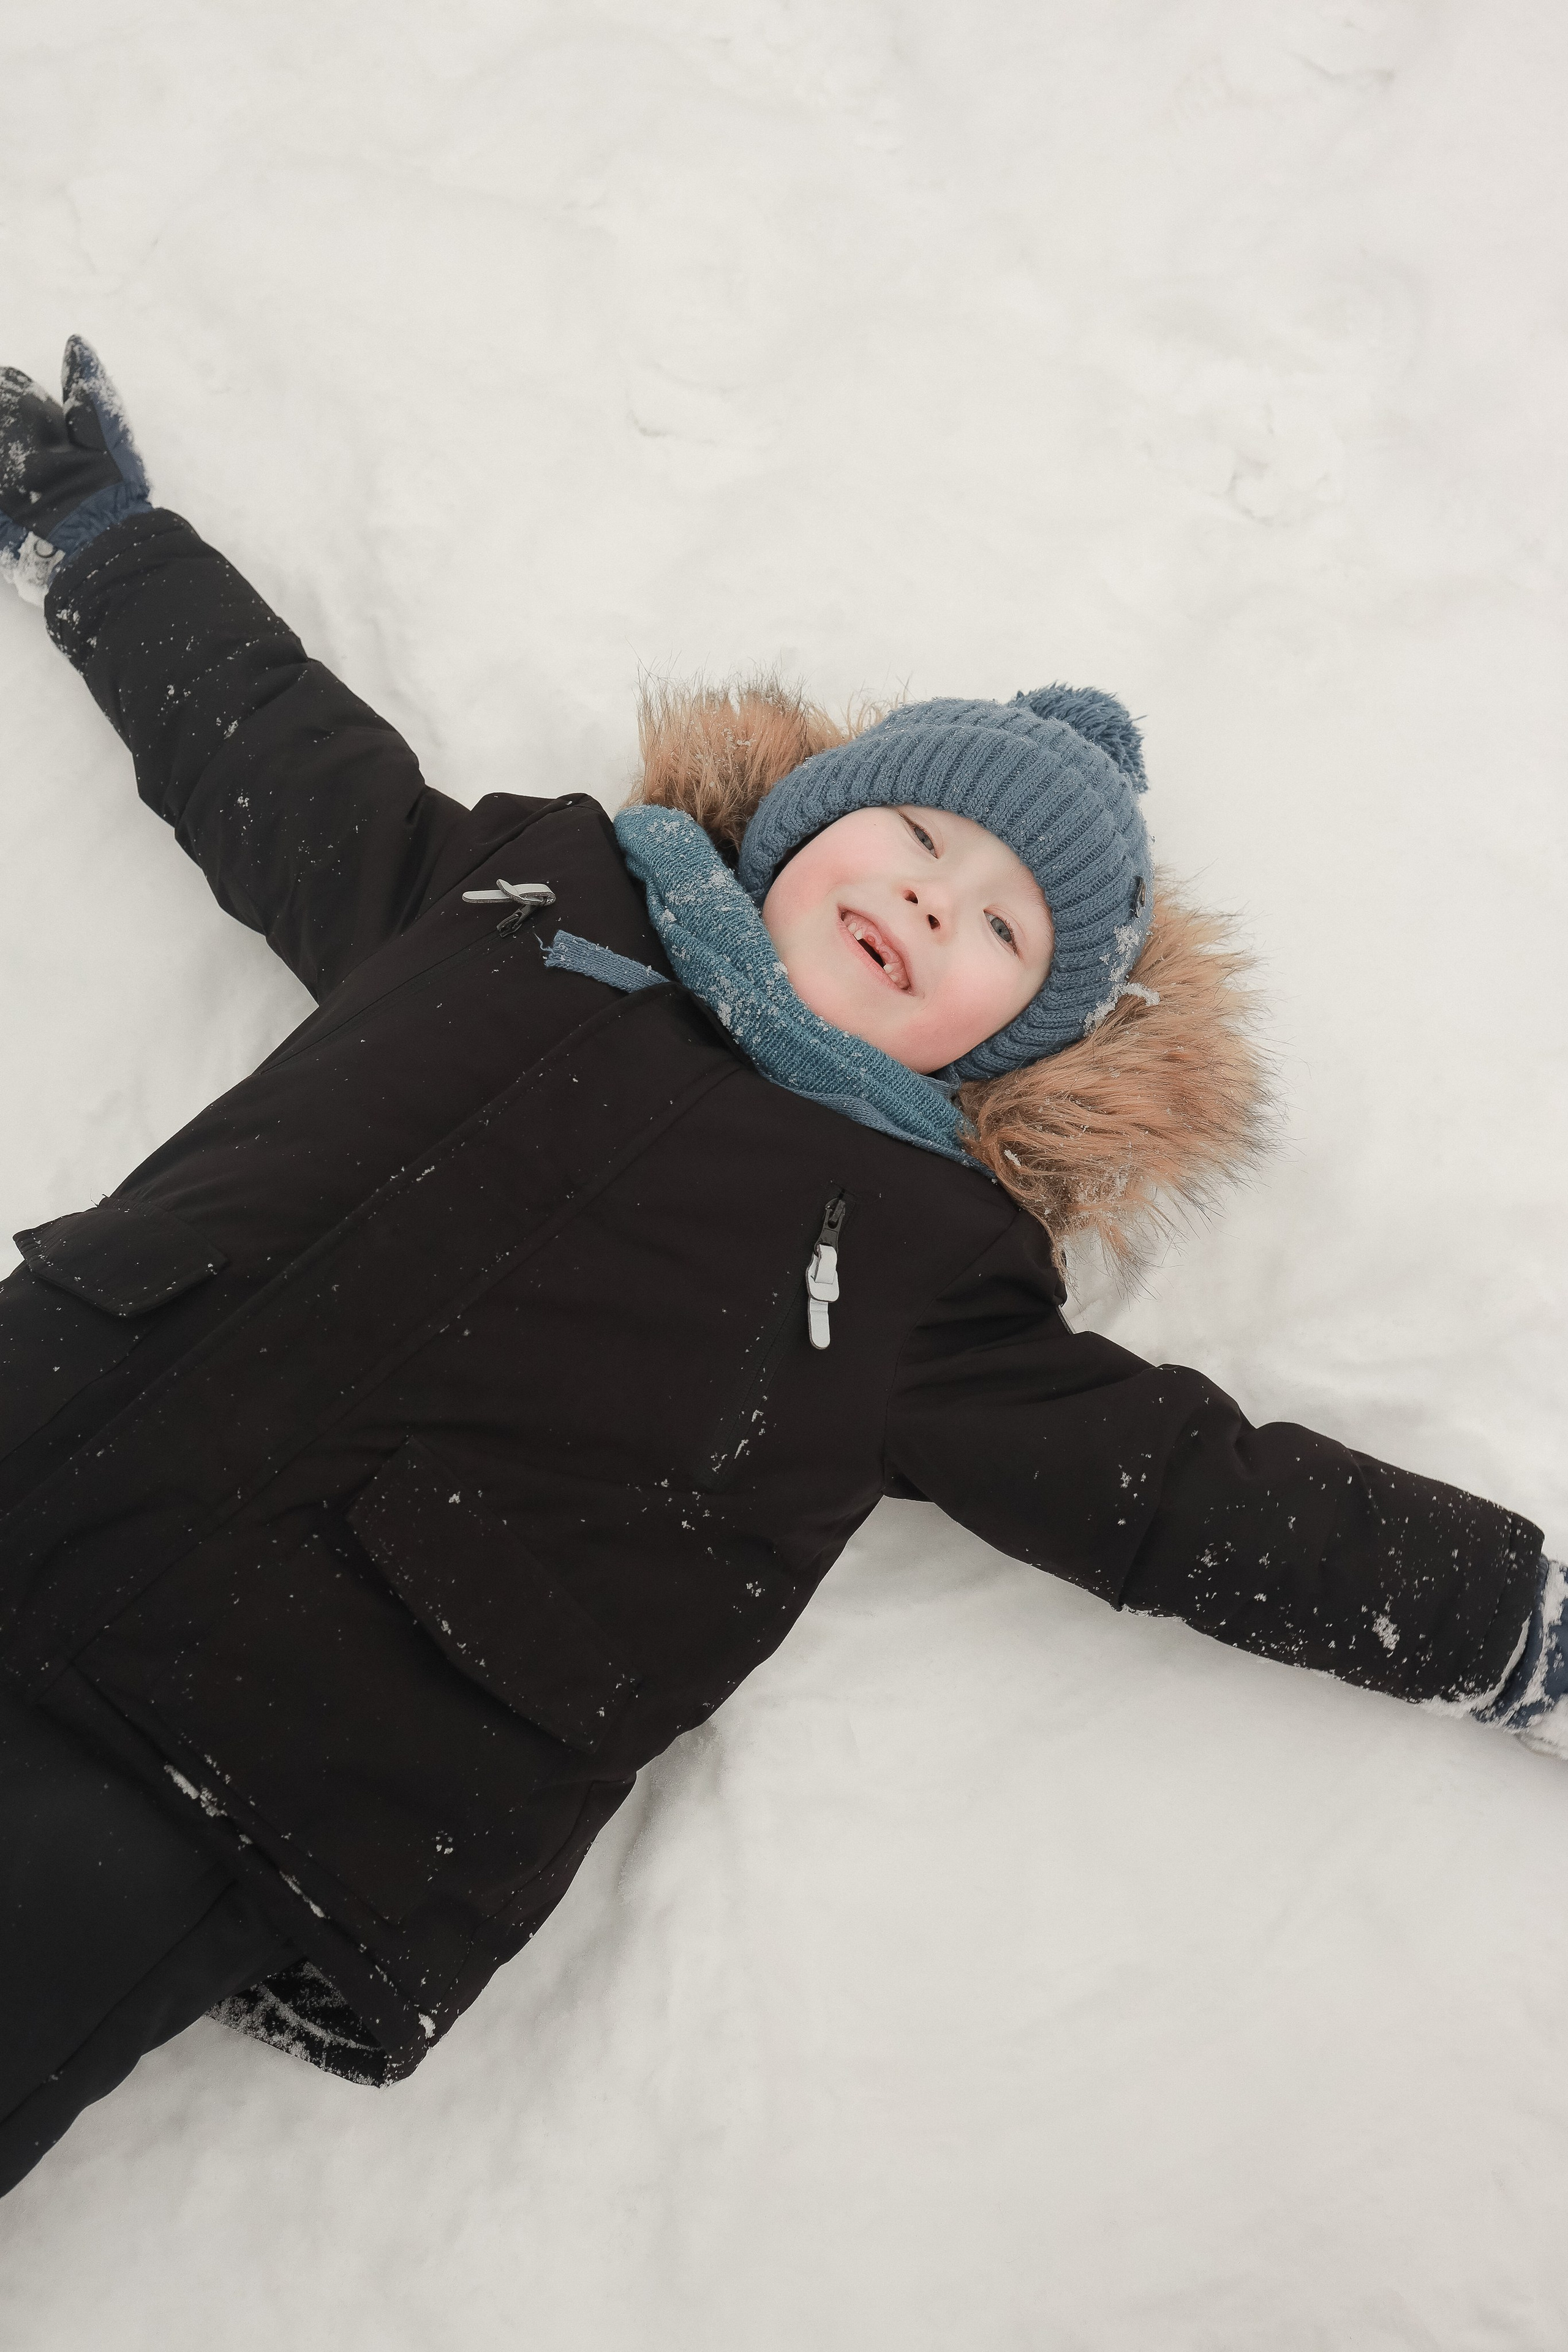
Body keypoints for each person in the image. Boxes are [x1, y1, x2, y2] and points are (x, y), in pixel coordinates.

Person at [0, 341, 1559, 2201]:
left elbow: (1192, 1496)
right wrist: (100, 540)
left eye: (1001, 923)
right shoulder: (517, 897)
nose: (927, 897)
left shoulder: (933, 1270)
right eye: (911, 834)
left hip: (257, 1747)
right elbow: (270, 755)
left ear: (1017, 1038)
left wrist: (1516, 1624)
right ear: (808, 827)